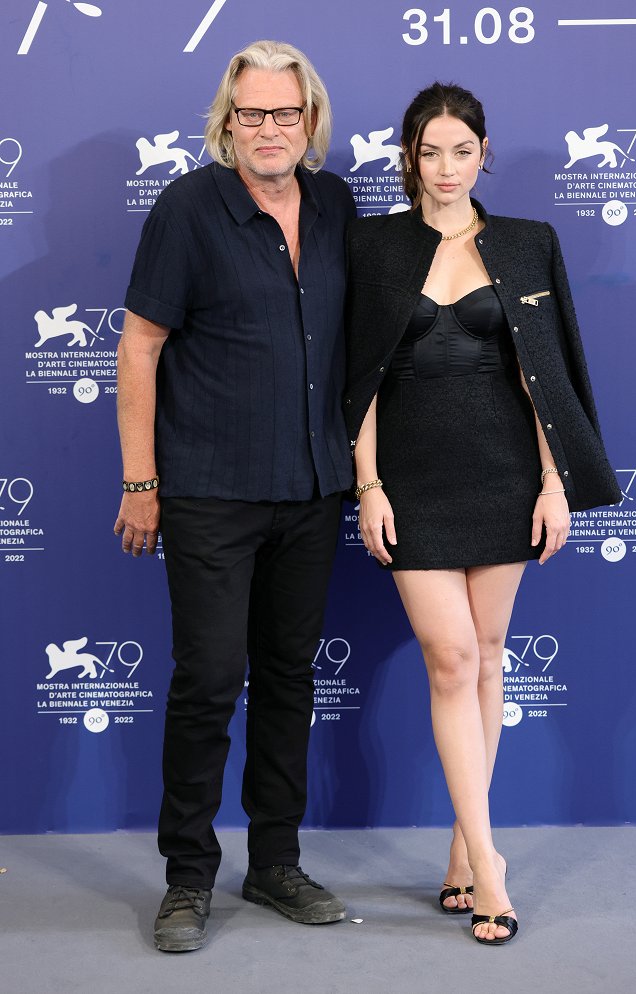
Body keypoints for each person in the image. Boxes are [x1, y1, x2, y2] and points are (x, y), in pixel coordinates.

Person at [343, 82, 620, 945]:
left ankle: (464, 850)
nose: (447, 168)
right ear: (409, 158)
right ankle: (492, 867)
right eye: (431, 152)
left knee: (490, 655)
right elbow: (357, 385)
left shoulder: (528, 243)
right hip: (413, 483)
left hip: (505, 475)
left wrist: (551, 483)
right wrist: (370, 487)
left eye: (463, 151)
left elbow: (547, 374)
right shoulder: (374, 246)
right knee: (451, 656)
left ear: (483, 154)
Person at [114, 40, 356, 952]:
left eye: (283, 114)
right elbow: (138, 346)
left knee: (290, 679)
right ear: (228, 121)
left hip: (310, 487)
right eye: (251, 113)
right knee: (210, 680)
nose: (267, 129)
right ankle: (186, 878)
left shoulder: (334, 206)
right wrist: (141, 481)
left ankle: (276, 863)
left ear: (309, 122)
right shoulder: (187, 208)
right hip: (209, 491)